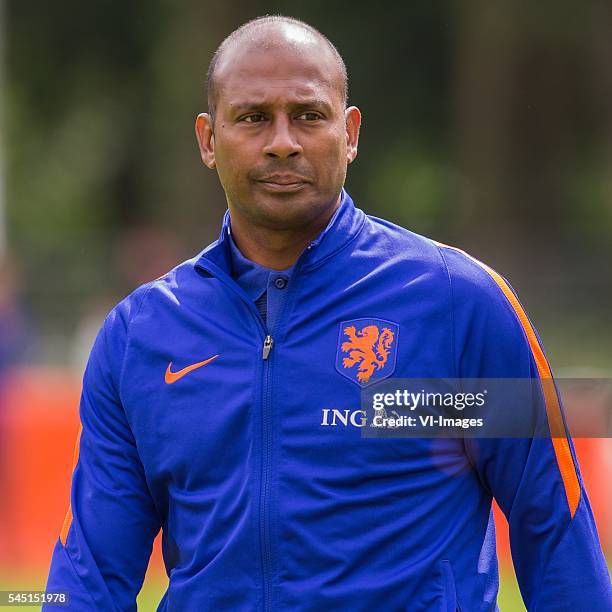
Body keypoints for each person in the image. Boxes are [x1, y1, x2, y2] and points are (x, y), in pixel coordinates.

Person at [45, 15, 612, 611]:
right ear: (208, 140)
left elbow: (555, 529)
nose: (283, 140)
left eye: (309, 116)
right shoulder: (141, 336)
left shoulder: (458, 304)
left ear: (350, 132)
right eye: (253, 117)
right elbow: (89, 575)